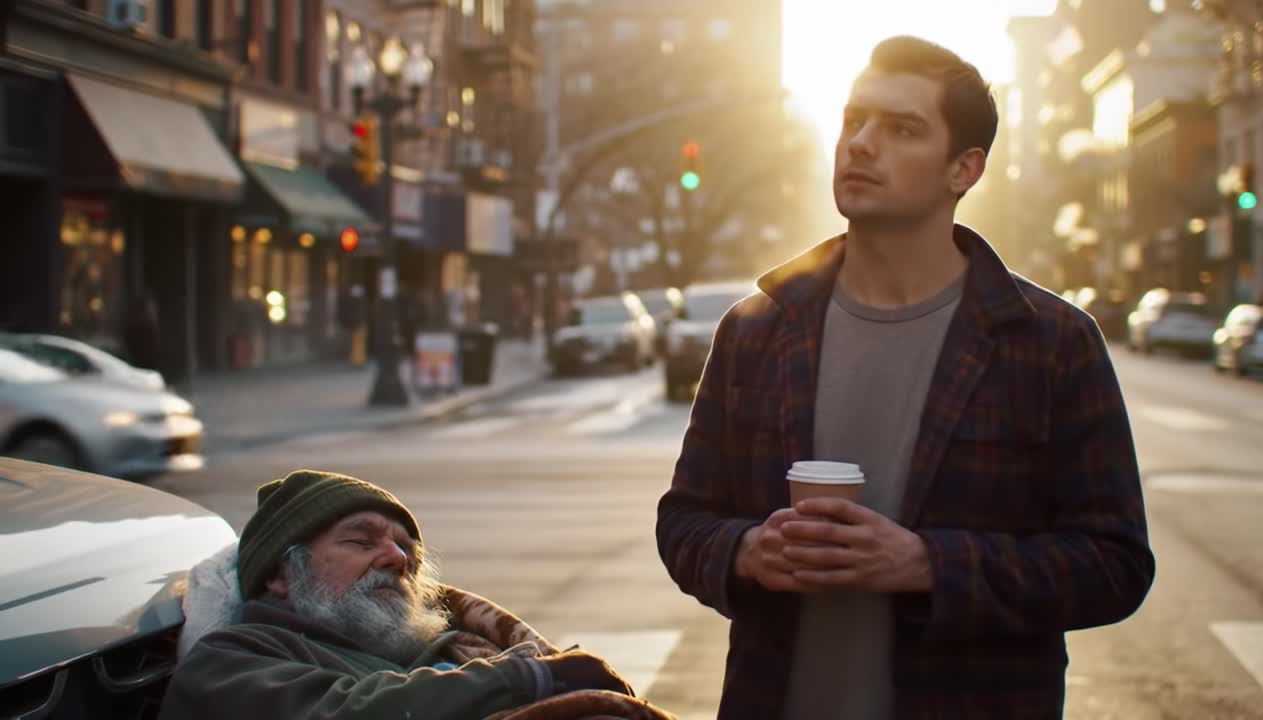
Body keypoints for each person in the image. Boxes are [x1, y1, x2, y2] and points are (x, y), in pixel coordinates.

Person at [655, 35, 1155, 720]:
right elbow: (684, 521)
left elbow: (1114, 564)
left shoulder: (1049, 342)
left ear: (963, 169)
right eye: (854, 120)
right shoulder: (758, 329)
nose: (861, 143)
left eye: (901, 129)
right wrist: (745, 551)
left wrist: (927, 565)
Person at [162, 470, 666, 720]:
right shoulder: (228, 662)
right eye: (361, 541)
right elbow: (347, 713)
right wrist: (532, 676)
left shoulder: (444, 644)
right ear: (281, 573)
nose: (397, 559)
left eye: (406, 550)